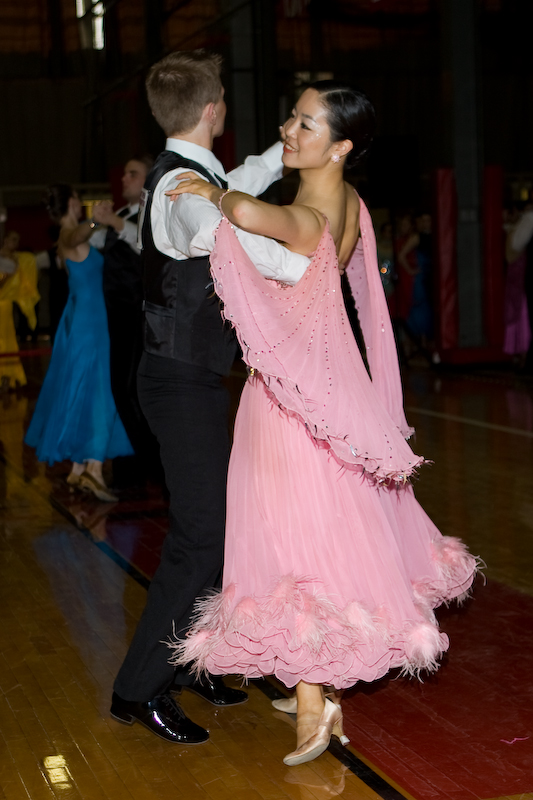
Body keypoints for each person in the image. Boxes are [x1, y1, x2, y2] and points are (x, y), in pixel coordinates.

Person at [167, 81, 479, 766]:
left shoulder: (311, 214)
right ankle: (313, 686)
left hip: (291, 402)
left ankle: (314, 700)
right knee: (312, 532)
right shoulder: (351, 202)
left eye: (307, 124)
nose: (289, 129)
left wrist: (210, 193)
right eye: (292, 115)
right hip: (320, 393)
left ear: (340, 146)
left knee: (289, 538)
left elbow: (246, 210)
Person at [109, 49, 304, 745]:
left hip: (189, 377)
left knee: (219, 530)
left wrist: (280, 155)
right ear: (214, 108)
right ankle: (138, 689)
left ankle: (193, 661)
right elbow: (223, 237)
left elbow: (239, 182)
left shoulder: (198, 174)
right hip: (176, 380)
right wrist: (306, 266)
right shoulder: (178, 190)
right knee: (200, 537)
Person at [25, 184, 134, 501]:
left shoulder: (69, 237)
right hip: (90, 323)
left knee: (87, 391)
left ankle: (78, 468)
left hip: (86, 320)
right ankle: (94, 469)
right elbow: (77, 236)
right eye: (77, 199)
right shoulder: (69, 234)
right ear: (72, 203)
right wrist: (97, 220)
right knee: (101, 393)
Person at [90, 156, 160, 485]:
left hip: (137, 315)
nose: (124, 179)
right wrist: (95, 223)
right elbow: (88, 242)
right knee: (120, 389)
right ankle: (138, 463)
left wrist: (112, 222)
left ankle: (155, 464)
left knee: (130, 388)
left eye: (133, 174)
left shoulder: (152, 212)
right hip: (113, 316)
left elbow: (145, 244)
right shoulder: (118, 215)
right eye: (124, 174)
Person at [0, 231, 39, 391]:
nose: (15, 243)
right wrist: (7, 277)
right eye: (13, 239)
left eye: (17, 240)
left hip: (5, 305)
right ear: (5, 240)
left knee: (7, 340)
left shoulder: (19, 259)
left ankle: (6, 377)